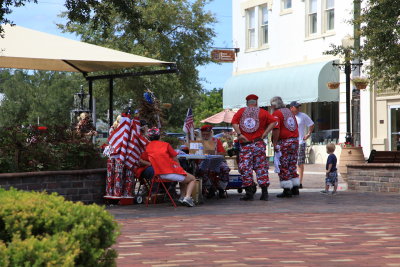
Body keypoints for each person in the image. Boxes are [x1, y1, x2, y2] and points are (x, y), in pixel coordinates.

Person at [231, 94, 277, 201]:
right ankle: (264, 193)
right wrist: (266, 132)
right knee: (261, 167)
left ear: (247, 103)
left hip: (246, 144)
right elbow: (274, 122)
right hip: (258, 144)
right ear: (256, 102)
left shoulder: (242, 111)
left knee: (245, 168)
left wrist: (239, 134)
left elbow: (233, 122)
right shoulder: (263, 112)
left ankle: (249, 193)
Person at [145, 127, 197, 207]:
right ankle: (188, 198)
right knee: (192, 178)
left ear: (148, 137)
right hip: (169, 172)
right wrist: (180, 169)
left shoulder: (147, 147)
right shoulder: (165, 145)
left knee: (183, 176)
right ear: (159, 136)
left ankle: (182, 197)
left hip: (158, 174)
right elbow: (175, 159)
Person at [271, 96, 300, 198]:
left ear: (274, 105)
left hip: (284, 142)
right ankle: (295, 187)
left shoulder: (276, 114)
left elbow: (276, 129)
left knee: (283, 165)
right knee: (292, 164)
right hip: (295, 141)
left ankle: (287, 189)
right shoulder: (289, 112)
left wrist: (274, 143)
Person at [199, 124, 231, 199]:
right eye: (204, 135)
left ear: (211, 133)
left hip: (216, 161)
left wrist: (215, 153)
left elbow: (223, 153)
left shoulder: (216, 141)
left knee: (225, 168)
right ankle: (210, 187)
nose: (206, 136)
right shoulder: (198, 142)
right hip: (202, 161)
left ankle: (221, 188)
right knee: (201, 170)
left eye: (207, 134)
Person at [289, 101, 314, 189]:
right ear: (291, 108)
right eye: (297, 107)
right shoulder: (288, 116)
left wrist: (308, 134)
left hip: (300, 142)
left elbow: (311, 124)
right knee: (290, 163)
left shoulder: (303, 116)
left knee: (299, 163)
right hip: (290, 142)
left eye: (299, 107)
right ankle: (291, 181)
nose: (298, 108)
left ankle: (299, 182)